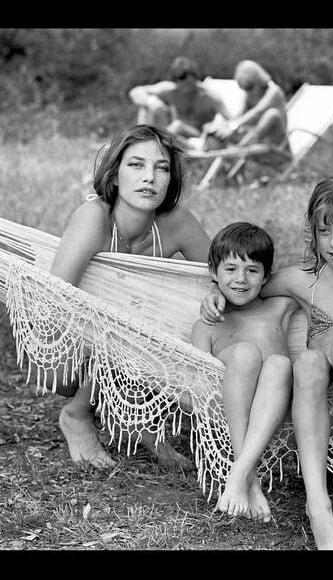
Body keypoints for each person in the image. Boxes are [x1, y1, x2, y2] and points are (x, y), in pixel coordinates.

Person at [200, 174, 333, 550]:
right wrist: (215, 292)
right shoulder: (303, 279)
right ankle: (319, 506)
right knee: (308, 361)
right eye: (323, 230)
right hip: (321, 372)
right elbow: (247, 282)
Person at [40, 124, 211, 470]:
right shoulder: (94, 217)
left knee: (181, 312)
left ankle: (136, 421)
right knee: (135, 309)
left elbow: (220, 276)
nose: (150, 177)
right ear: (115, 175)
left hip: (125, 349)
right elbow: (54, 297)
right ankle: (77, 415)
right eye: (136, 165)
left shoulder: (176, 222)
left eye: (161, 168)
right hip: (61, 350)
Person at [190, 222, 299, 522]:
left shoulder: (281, 307)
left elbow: (316, 277)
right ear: (213, 272)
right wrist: (214, 292)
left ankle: (238, 475)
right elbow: (199, 382)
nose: (241, 279)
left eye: (252, 270)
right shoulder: (208, 324)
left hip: (276, 404)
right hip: (229, 406)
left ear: (266, 277)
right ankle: (247, 476)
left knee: (279, 364)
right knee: (246, 353)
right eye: (231, 269)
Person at [128, 56, 230, 149]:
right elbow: (136, 92)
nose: (188, 88)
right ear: (176, 81)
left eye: (191, 83)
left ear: (195, 78)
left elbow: (232, 120)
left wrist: (223, 127)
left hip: (200, 139)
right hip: (175, 136)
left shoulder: (209, 97)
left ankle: (154, 143)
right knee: (146, 107)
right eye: (183, 83)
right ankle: (144, 140)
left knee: (177, 126)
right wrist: (152, 102)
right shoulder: (170, 91)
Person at [207, 60, 289, 160]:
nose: (248, 92)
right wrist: (223, 126)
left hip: (277, 144)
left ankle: (239, 149)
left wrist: (233, 127)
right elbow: (240, 116)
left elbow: (257, 112)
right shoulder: (249, 95)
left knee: (272, 114)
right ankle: (220, 150)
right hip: (257, 141)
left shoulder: (273, 92)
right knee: (222, 124)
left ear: (258, 80)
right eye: (244, 89)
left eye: (249, 87)